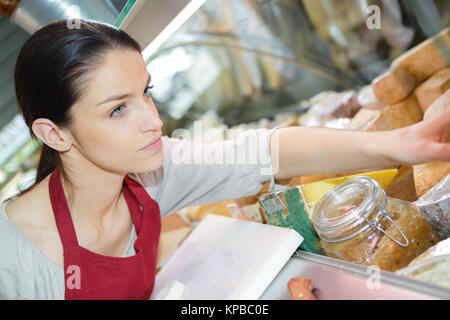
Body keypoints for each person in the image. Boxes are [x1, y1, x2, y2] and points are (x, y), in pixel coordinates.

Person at [0, 19, 449, 300]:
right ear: (53, 133)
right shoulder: (14, 265)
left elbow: (264, 153)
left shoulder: (149, 174)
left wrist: (401, 143)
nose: (153, 122)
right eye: (118, 109)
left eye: (146, 93)